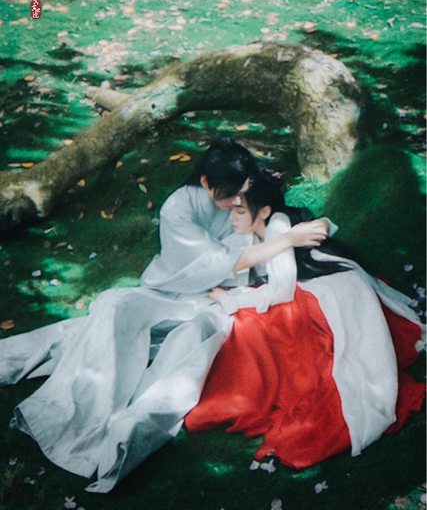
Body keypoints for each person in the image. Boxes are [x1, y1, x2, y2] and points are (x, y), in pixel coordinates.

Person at [0, 138, 332, 494]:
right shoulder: (179, 208)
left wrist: (285, 235)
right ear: (206, 183)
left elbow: (262, 237)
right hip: (171, 291)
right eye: (230, 194)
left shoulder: (246, 199)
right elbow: (219, 262)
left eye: (242, 191)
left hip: (217, 301)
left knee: (186, 347)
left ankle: (126, 430)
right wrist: (286, 240)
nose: (237, 200)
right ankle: (85, 409)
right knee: (114, 306)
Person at [185, 167, 426, 468]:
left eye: (239, 210)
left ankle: (248, 387)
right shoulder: (270, 226)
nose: (231, 217)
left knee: (256, 322)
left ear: (264, 212)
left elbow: (283, 289)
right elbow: (321, 230)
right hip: (317, 283)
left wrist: (231, 299)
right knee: (259, 317)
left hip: (325, 291)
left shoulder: (278, 228)